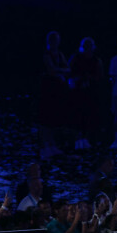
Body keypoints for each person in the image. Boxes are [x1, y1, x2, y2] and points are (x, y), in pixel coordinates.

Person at [39, 31, 70, 160]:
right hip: (47, 89)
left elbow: (67, 69)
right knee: (45, 118)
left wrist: (59, 71)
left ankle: (52, 144)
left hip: (57, 89)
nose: (55, 43)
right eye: (53, 40)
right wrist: (59, 71)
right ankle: (45, 146)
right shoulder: (46, 54)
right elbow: (51, 70)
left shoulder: (60, 54)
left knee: (53, 118)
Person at [69, 38, 103, 150]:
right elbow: (70, 74)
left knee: (90, 116)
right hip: (77, 93)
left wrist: (90, 79)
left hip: (91, 93)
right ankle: (78, 140)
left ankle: (87, 139)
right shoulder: (76, 59)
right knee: (77, 116)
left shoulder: (96, 60)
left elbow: (99, 76)